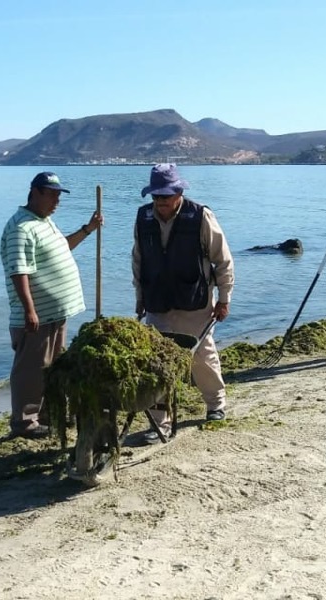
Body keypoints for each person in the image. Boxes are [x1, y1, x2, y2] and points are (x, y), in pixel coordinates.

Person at [133, 164, 235, 440]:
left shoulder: (201, 216)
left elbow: (222, 260)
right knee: (156, 362)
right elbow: (138, 260)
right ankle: (159, 421)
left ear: (179, 192)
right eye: (156, 196)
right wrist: (139, 297)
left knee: (203, 356)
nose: (160, 201)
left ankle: (216, 404)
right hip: (157, 300)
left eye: (165, 195)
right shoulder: (143, 218)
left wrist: (224, 298)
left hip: (195, 300)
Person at [0, 172, 102, 438]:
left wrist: (87, 230)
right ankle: (24, 423)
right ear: (35, 192)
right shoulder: (20, 228)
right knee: (31, 369)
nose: (57, 200)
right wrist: (29, 310)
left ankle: (47, 415)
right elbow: (18, 271)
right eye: (52, 194)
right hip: (38, 316)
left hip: (55, 312)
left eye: (59, 195)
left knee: (53, 366)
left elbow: (62, 248)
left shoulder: (43, 222)